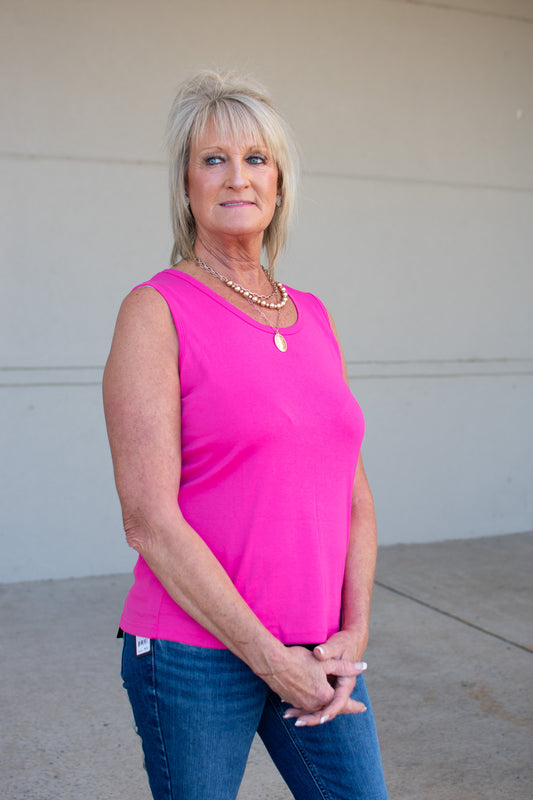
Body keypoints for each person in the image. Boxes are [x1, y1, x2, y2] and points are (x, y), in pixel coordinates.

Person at [103, 70, 389, 800]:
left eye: (256, 159)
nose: (238, 177)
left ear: (280, 183)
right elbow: (149, 521)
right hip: (192, 653)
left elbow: (353, 497)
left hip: (317, 648)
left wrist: (352, 631)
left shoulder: (316, 315)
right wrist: (270, 658)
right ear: (186, 185)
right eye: (213, 159)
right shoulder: (156, 311)